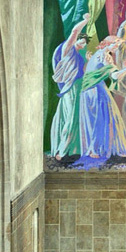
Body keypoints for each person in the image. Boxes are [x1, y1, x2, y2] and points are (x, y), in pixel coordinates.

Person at [49, 14, 90, 158]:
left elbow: (82, 72)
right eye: (81, 41)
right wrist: (85, 21)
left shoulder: (79, 56)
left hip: (78, 88)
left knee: (75, 117)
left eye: (84, 43)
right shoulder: (68, 50)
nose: (82, 44)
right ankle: (61, 150)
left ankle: (71, 149)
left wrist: (88, 62)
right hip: (70, 88)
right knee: (70, 118)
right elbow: (74, 32)